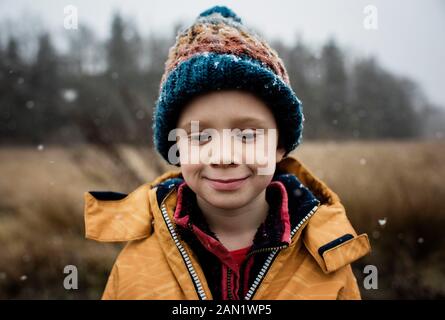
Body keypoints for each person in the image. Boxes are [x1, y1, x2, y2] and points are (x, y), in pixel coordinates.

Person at [84, 5, 371, 300]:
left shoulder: (326, 257)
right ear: (177, 148)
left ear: (279, 145)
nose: (223, 156)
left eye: (247, 135)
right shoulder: (136, 265)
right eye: (200, 136)